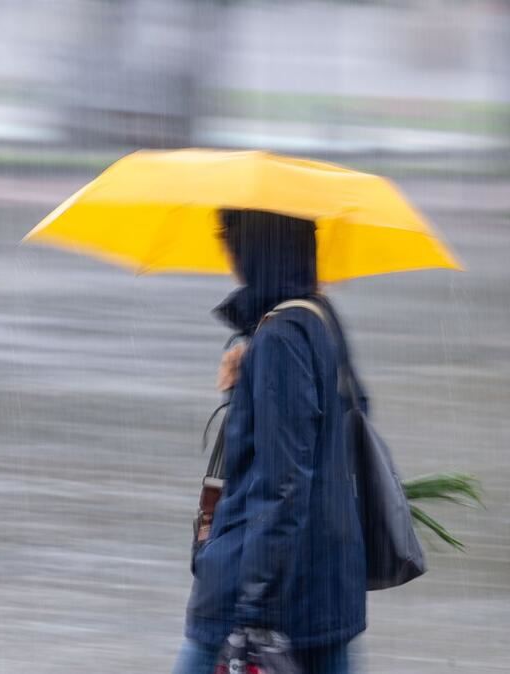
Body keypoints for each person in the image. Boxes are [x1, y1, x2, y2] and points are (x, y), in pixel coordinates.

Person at [173, 210, 366, 674]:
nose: (226, 251)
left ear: (256, 247)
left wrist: (253, 615)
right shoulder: (320, 319)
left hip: (260, 586)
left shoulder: (280, 338)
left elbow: (282, 482)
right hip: (325, 580)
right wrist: (243, 386)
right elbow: (344, 430)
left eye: (229, 237)